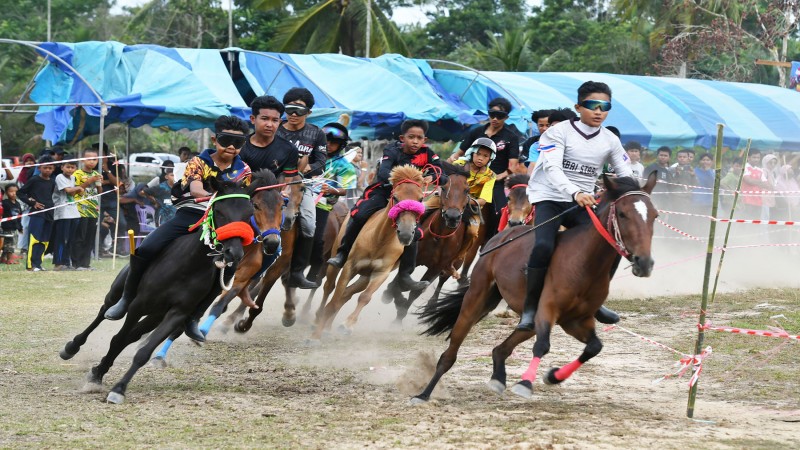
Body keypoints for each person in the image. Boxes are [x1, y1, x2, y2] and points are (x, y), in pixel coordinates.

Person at [104, 115, 253, 342]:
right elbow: (195, 189)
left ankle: (194, 316)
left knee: (231, 264)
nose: (231, 147)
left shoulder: (245, 171)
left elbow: (242, 200)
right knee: (145, 249)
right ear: (215, 139)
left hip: (221, 223)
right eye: (225, 140)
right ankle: (126, 298)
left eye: (238, 143)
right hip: (189, 215)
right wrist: (218, 198)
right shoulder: (198, 162)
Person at [517, 81, 632, 331]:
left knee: (612, 244)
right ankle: (529, 308)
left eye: (605, 106)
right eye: (593, 105)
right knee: (544, 246)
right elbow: (552, 167)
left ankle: (595, 301)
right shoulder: (556, 133)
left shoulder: (610, 139)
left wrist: (635, 194)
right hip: (549, 196)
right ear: (578, 107)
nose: (599, 111)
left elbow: (625, 172)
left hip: (583, 200)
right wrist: (575, 191)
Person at [328, 119, 448, 292]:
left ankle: (405, 275)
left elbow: (441, 174)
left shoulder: (429, 154)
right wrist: (403, 181)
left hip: (409, 201)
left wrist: (431, 177)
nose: (415, 141)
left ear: (425, 140)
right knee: (359, 214)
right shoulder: (392, 149)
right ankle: (342, 253)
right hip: (383, 192)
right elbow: (384, 172)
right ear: (402, 137)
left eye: (419, 138)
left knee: (415, 231)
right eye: (411, 137)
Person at [448, 97, 519, 242]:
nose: (494, 118)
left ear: (506, 117)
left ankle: (492, 241)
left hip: (493, 180)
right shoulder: (477, 131)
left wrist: (496, 177)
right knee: (442, 198)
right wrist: (451, 162)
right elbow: (458, 153)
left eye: (499, 116)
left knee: (499, 211)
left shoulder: (511, 137)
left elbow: (513, 167)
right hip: (468, 175)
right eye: (491, 114)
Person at [277, 87, 328, 289]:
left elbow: (321, 162)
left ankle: (297, 272)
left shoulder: (316, 134)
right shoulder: (275, 129)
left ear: (309, 112)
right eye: (289, 109)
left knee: (309, 224)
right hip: (274, 183)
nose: (294, 115)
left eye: (300, 110)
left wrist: (309, 168)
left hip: (300, 185)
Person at [306, 122, 358, 283]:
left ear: (340, 145)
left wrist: (330, 190)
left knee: (318, 237)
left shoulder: (343, 165)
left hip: (321, 203)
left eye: (333, 142)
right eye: (325, 141)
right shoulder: (308, 156)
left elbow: (344, 190)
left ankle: (315, 267)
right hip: (297, 197)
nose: (328, 145)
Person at [451, 137, 496, 265]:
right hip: (450, 200)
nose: (480, 158)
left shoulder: (491, 175)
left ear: (490, 158)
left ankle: (460, 255)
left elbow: (482, 201)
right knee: (425, 208)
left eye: (485, 156)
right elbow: (444, 180)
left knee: (472, 232)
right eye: (478, 154)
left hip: (471, 207)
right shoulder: (458, 164)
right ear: (472, 153)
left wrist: (463, 199)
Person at [239, 95, 299, 180]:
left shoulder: (289, 150)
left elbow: (287, 182)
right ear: (253, 119)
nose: (269, 125)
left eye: (275, 120)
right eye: (265, 119)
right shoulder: (239, 146)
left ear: (280, 122)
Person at [18, 156, 56, 271]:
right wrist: (32, 203)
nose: (48, 170)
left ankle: (38, 264)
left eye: (50, 168)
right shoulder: (34, 180)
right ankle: (30, 265)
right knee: (34, 238)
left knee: (44, 239)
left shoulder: (52, 182)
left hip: (49, 213)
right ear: (39, 168)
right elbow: (20, 193)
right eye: (45, 168)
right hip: (37, 213)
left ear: (53, 168)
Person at [72, 148, 103, 270]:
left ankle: (86, 264)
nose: (92, 162)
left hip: (93, 210)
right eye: (89, 159)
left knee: (90, 238)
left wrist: (99, 184)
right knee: (80, 237)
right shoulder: (77, 174)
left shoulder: (96, 174)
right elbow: (75, 190)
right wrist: (89, 181)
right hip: (80, 210)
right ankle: (76, 263)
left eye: (95, 159)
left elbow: (99, 193)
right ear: (83, 160)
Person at [52, 159, 83, 270]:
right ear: (62, 167)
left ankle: (66, 262)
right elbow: (68, 190)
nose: (70, 169)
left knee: (70, 239)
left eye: (73, 167)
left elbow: (73, 192)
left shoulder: (73, 178)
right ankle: (58, 263)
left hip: (74, 211)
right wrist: (79, 188)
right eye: (68, 167)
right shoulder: (59, 177)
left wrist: (78, 189)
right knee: (61, 238)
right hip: (63, 212)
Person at [1, 184, 23, 264]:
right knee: (9, 244)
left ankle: (3, 258)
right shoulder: (5, 203)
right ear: (6, 193)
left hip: (15, 227)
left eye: (16, 191)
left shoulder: (18, 204)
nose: (14, 193)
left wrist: (20, 227)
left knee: (12, 243)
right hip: (6, 227)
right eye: (11, 191)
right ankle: (9, 259)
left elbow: (19, 216)